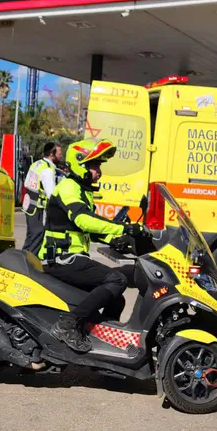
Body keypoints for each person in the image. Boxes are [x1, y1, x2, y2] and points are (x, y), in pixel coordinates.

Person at [38, 139, 144, 352]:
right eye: (94, 165)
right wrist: (122, 229)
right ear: (80, 164)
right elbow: (83, 220)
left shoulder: (82, 190)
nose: (99, 171)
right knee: (117, 279)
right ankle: (68, 325)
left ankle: (101, 339)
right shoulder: (68, 187)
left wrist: (116, 240)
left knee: (117, 299)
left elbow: (89, 230)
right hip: (59, 258)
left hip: (72, 257)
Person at [21, 142, 63, 254]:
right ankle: (30, 265)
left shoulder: (36, 164)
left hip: (29, 205)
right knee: (37, 236)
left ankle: (21, 261)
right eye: (59, 154)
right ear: (52, 155)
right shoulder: (48, 171)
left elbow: (26, 183)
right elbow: (52, 194)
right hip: (38, 208)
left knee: (31, 236)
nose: (61, 156)